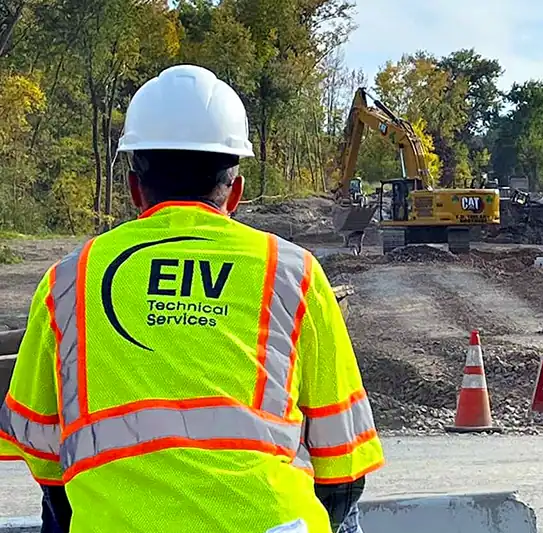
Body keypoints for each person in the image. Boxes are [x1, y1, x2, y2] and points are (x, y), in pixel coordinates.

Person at [0, 64, 384, 533]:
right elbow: (343, 465)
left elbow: (43, 455)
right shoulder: (294, 271)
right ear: (236, 191)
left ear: (134, 188)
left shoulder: (69, 279)